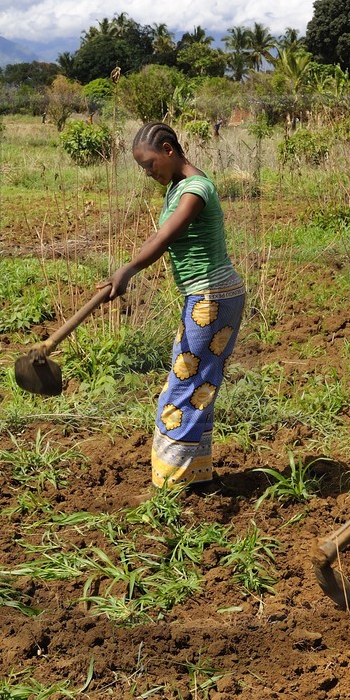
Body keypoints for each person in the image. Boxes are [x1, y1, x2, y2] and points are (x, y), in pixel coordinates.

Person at [101, 122, 245, 492]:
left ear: (168, 150)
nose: (149, 174)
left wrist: (128, 269)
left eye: (150, 165)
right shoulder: (179, 187)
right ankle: (195, 477)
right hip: (204, 298)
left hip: (213, 298)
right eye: (142, 169)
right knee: (196, 383)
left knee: (183, 387)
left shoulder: (196, 189)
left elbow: (165, 236)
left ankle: (172, 484)